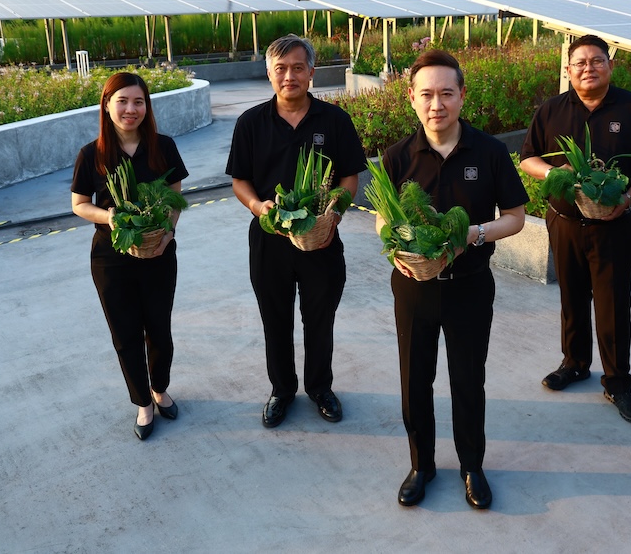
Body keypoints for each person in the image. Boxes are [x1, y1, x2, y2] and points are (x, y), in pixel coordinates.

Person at [378, 50, 528, 509]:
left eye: (446, 93)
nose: (436, 104)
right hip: (414, 288)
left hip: (470, 286)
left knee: (467, 380)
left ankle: (471, 466)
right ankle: (421, 465)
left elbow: (516, 217)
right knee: (414, 380)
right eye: (426, 94)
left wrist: (473, 234)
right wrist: (395, 249)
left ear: (462, 95)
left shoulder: (490, 152)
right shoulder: (397, 157)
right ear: (411, 98)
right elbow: (383, 219)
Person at [520, 34, 631, 423]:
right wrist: (555, 173)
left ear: (610, 65)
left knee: (613, 304)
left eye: (597, 60)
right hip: (564, 222)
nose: (589, 68)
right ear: (568, 70)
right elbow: (528, 158)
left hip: (612, 226)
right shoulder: (551, 110)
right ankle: (575, 363)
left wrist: (627, 199)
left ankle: (617, 382)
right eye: (580, 63)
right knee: (571, 297)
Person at [226, 34, 366, 429]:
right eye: (281, 69)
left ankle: (320, 387)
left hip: (321, 240)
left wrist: (334, 214)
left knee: (320, 318)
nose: (290, 76)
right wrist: (259, 207)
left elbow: (350, 177)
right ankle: (282, 390)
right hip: (269, 241)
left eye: (298, 68)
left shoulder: (334, 120)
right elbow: (239, 181)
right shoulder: (251, 122)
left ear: (311, 72)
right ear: (269, 74)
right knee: (275, 320)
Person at [71, 72, 188, 441]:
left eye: (138, 101)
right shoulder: (91, 154)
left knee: (159, 330)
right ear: (107, 105)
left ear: (147, 107)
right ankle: (143, 402)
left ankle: (160, 388)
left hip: (159, 254)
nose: (130, 109)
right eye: (122, 101)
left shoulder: (163, 146)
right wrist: (110, 217)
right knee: (125, 334)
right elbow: (79, 204)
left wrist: (168, 234)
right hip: (111, 259)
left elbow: (175, 194)